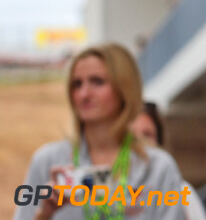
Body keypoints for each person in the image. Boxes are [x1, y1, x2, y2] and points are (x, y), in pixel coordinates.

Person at [17, 43, 189, 220]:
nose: (84, 94)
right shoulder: (49, 161)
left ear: (124, 88)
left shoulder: (156, 167)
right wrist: (44, 214)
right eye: (77, 84)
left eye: (97, 82)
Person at [131, 103, 206, 220]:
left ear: (159, 141)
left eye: (147, 135)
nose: (140, 143)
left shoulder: (181, 191)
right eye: (130, 137)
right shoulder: (107, 191)